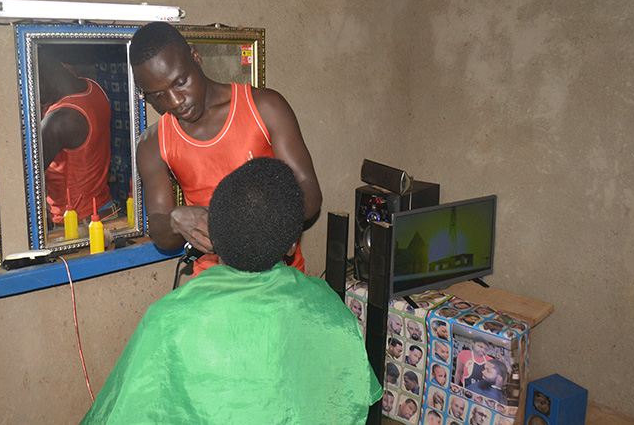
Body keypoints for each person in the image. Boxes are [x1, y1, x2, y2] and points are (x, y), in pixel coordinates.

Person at [80, 158, 380, 424]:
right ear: (292, 244)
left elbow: (121, 413)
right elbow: (350, 397)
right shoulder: (327, 306)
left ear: (212, 239)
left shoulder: (169, 319)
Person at [131, 22, 321, 275]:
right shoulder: (152, 144)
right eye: (157, 96)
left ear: (196, 57)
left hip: (279, 276)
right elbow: (162, 233)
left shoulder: (265, 107)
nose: (175, 102)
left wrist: (264, 221)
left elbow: (310, 193)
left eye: (180, 82)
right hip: (215, 282)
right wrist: (175, 221)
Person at [38, 46, 112, 224]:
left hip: (77, 222)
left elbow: (26, 174)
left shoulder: (59, 119)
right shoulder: (95, 88)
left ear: (40, 77)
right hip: (104, 207)